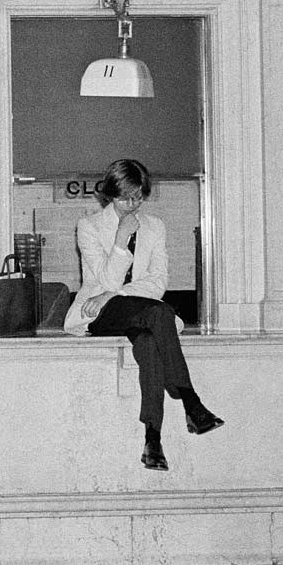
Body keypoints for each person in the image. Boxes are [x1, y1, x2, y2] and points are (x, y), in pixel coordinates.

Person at [64, 158, 223, 472]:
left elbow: (158, 282)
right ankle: (191, 402)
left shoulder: (155, 227)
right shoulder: (90, 227)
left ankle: (153, 439)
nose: (132, 204)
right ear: (110, 194)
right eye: (124, 197)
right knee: (161, 313)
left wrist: (114, 292)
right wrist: (121, 240)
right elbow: (105, 280)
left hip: (137, 310)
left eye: (138, 197)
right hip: (100, 315)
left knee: (150, 341)